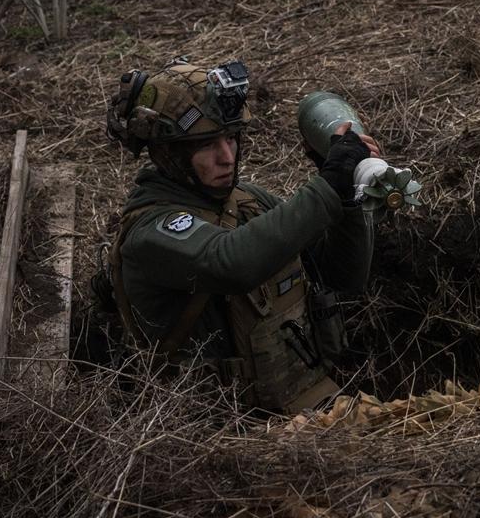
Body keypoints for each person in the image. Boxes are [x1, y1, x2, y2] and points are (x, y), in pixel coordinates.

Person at [100, 56, 379, 412]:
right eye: (206, 145)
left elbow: (344, 276)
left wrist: (347, 197)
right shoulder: (149, 231)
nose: (226, 156)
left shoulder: (248, 201)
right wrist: (326, 187)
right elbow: (231, 262)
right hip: (219, 433)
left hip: (306, 404)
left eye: (231, 138)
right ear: (166, 152)